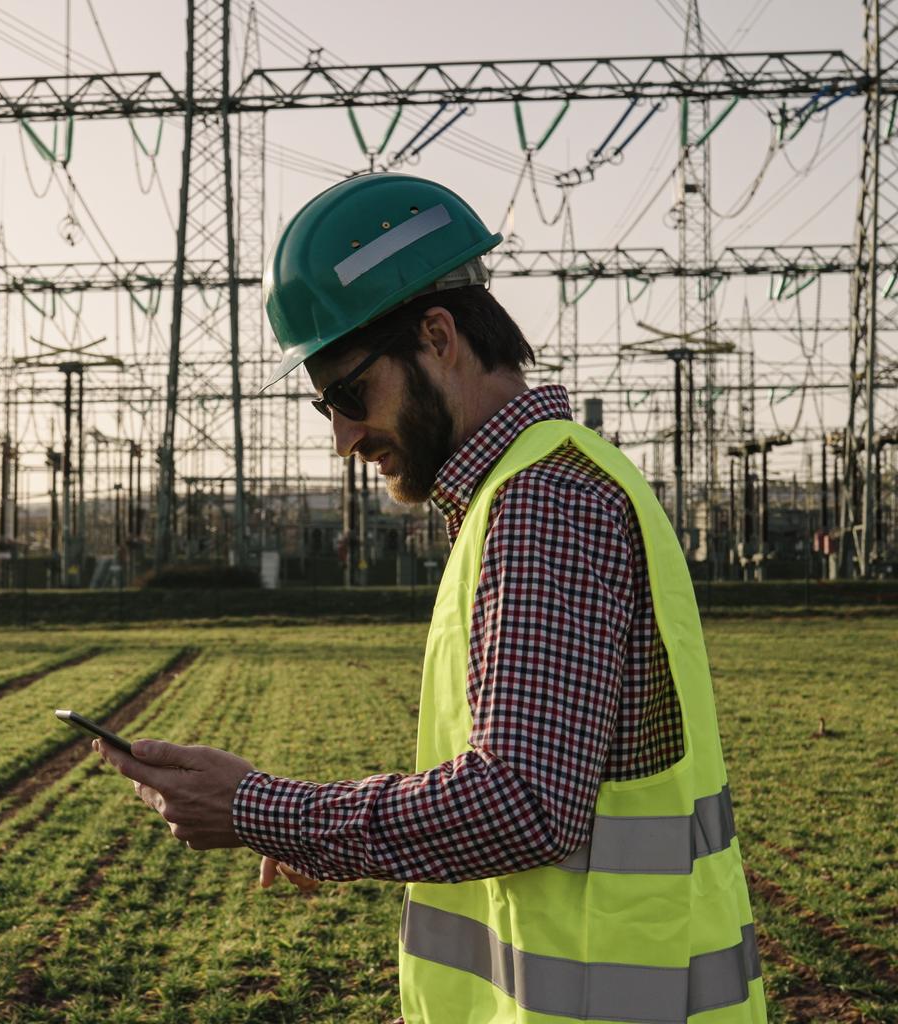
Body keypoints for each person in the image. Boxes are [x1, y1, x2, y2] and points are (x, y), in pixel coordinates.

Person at [96, 173, 766, 1023]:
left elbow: (519, 805)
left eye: (348, 394)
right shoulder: (531, 490)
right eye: (324, 405)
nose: (341, 437)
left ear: (439, 336)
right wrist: (316, 836)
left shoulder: (543, 504)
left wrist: (258, 808)